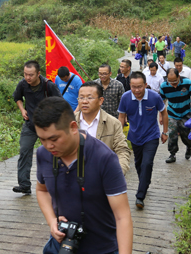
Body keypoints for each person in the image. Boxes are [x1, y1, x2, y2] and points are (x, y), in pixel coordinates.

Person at [35, 97, 133, 254]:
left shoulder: (104, 158)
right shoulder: (43, 154)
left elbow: (122, 217)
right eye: (42, 139)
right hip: (62, 246)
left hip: (102, 248)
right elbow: (42, 190)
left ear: (73, 127)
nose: (48, 146)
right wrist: (51, 220)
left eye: (54, 139)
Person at [118, 72, 169, 209]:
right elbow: (122, 117)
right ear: (130, 86)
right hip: (134, 136)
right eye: (133, 87)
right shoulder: (125, 97)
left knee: (147, 163)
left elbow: (164, 113)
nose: (137, 90)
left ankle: (140, 196)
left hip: (151, 136)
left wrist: (164, 131)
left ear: (146, 85)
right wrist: (118, 135)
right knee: (139, 164)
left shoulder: (154, 97)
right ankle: (145, 182)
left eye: (140, 87)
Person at [13, 60, 62, 194]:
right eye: (25, 74)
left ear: (38, 74)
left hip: (47, 127)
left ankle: (55, 182)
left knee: (52, 153)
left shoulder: (48, 85)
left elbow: (60, 102)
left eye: (31, 75)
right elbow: (17, 97)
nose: (28, 77)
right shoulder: (23, 84)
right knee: (24, 151)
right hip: (30, 125)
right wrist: (22, 110)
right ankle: (24, 184)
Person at [75, 81, 131, 175]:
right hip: (75, 177)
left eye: (89, 97)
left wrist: (118, 173)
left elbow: (122, 150)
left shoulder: (113, 123)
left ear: (101, 100)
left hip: (103, 176)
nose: (84, 101)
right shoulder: (69, 122)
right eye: (81, 97)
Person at [159, 68, 191, 164]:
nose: (173, 84)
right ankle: (172, 154)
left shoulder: (187, 82)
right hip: (172, 113)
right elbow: (162, 101)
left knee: (185, 135)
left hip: (186, 113)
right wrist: (161, 115)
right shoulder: (164, 86)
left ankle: (189, 145)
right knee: (172, 133)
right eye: (170, 82)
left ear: (179, 77)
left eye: (175, 82)